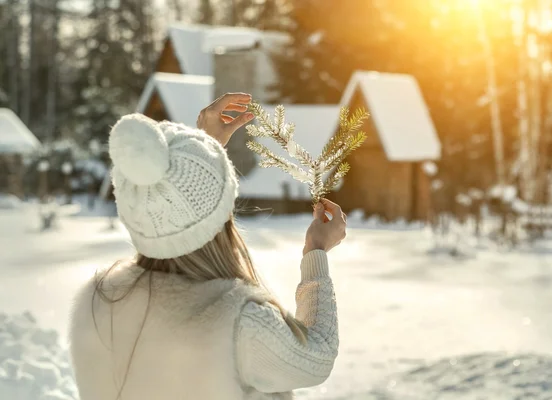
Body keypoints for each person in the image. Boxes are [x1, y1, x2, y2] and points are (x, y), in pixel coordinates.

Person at [68, 93, 346, 400]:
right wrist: (315, 252)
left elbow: (174, 208)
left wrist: (205, 151)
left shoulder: (97, 303)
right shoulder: (238, 323)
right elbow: (316, 358)